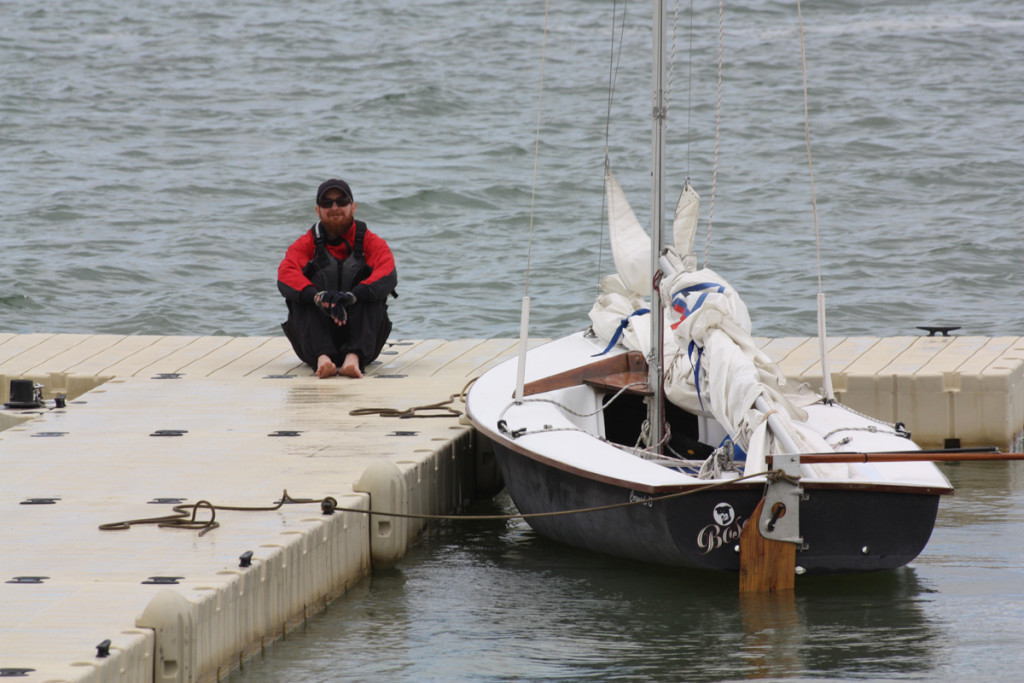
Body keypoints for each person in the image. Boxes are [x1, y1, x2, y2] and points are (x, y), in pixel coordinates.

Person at [278, 179, 397, 378]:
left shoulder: (371, 241)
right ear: (318, 210)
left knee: (372, 295)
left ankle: (353, 359)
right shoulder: (306, 243)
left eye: (341, 202)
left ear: (353, 207)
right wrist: (318, 297)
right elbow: (286, 275)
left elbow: (387, 273)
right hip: (313, 339)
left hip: (364, 337)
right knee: (300, 297)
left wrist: (353, 296)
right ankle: (323, 358)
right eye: (327, 203)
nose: (335, 208)